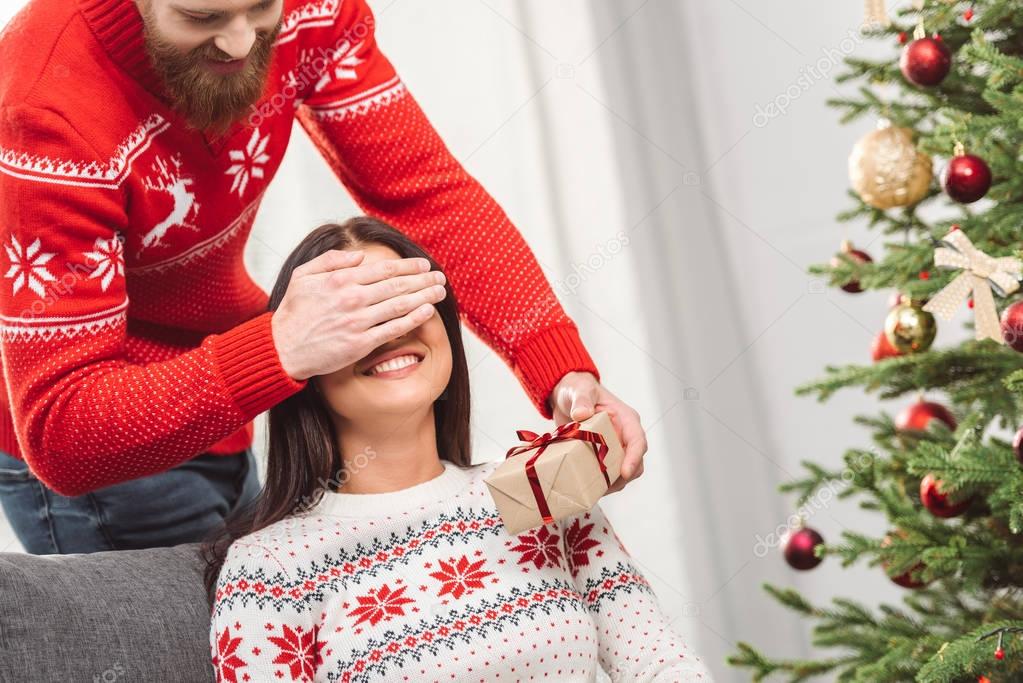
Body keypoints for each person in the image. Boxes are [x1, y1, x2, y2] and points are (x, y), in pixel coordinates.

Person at [0, 0, 648, 554]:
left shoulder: (311, 10)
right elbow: (63, 431)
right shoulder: (40, 109)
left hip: (218, 401)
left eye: (261, 7)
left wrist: (562, 371)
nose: (239, 42)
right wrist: (280, 348)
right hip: (92, 440)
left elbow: (423, 194)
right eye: (201, 16)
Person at [204, 216, 712, 682]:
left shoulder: (543, 489)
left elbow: (662, 665)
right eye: (359, 314)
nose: (393, 328)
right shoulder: (269, 567)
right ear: (303, 362)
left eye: (406, 302)